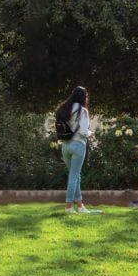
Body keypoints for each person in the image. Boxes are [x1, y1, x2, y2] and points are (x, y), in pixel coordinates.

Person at [55, 86, 95, 214]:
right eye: (86, 96)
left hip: (65, 146)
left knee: (75, 176)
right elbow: (83, 132)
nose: (87, 98)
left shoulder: (64, 108)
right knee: (74, 177)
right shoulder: (82, 111)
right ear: (83, 97)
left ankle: (80, 206)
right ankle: (68, 207)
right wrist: (91, 133)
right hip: (78, 145)